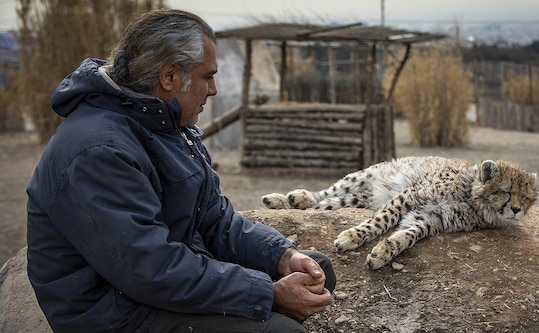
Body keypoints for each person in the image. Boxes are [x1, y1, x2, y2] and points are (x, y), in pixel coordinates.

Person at [26, 9, 335, 333]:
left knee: (315, 271)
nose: (213, 89)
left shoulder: (161, 123)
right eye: (207, 76)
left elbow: (215, 219)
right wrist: (267, 294)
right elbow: (149, 270)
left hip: (162, 276)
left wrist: (281, 256)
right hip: (117, 311)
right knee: (282, 331)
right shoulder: (98, 151)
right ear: (170, 77)